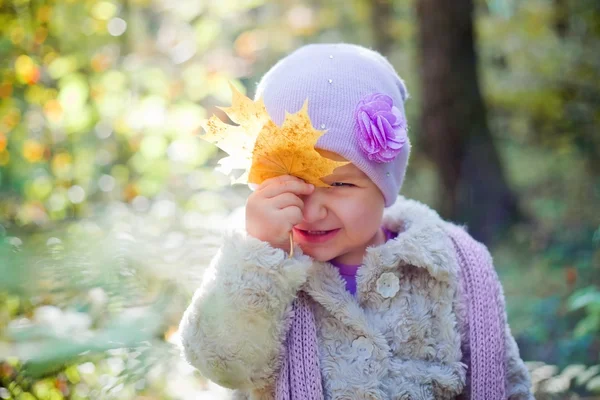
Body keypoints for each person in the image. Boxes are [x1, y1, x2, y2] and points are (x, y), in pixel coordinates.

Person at [178, 43, 533, 400]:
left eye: (339, 184)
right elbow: (220, 362)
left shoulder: (449, 266)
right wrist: (260, 256)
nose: (312, 211)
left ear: (385, 185)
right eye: (289, 182)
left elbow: (507, 382)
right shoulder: (254, 267)